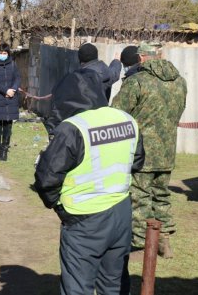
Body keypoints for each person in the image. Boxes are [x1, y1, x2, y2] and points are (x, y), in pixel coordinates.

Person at [34, 69, 145, 295]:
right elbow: (137, 161)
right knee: (113, 284)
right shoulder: (127, 119)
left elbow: (46, 178)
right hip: (121, 213)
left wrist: (59, 207)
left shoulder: (72, 128)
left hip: (84, 219)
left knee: (78, 286)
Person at [112, 42, 187, 259]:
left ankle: (142, 245)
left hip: (141, 152)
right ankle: (164, 239)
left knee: (139, 198)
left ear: (142, 57)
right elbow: (178, 112)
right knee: (161, 196)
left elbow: (117, 114)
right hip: (167, 150)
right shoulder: (180, 82)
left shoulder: (137, 82)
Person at [0, 43, 21, 161]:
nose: (2, 55)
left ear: (8, 54)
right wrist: (5, 90)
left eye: (5, 53)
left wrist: (13, 89)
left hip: (11, 98)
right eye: (0, 53)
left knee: (8, 126)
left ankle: (4, 152)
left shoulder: (13, 64)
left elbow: (17, 78)